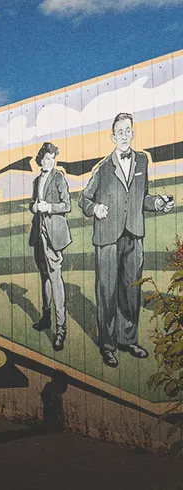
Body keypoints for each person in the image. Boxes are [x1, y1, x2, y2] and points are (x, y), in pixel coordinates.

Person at [79, 112, 174, 368]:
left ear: (133, 133)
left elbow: (142, 198)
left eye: (128, 130)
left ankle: (128, 340)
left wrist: (158, 204)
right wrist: (95, 208)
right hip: (107, 239)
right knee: (107, 293)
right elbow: (83, 200)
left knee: (132, 292)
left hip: (134, 235)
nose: (124, 135)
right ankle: (108, 346)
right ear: (113, 136)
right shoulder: (102, 169)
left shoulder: (142, 161)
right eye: (120, 131)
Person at [29, 142, 72, 351]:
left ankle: (60, 328)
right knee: (44, 275)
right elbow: (31, 204)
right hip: (39, 235)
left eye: (52, 158)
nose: (49, 161)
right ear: (41, 159)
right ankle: (46, 318)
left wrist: (49, 207)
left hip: (54, 235)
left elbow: (67, 205)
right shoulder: (37, 180)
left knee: (55, 278)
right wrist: (35, 206)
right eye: (46, 158)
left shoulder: (59, 177)